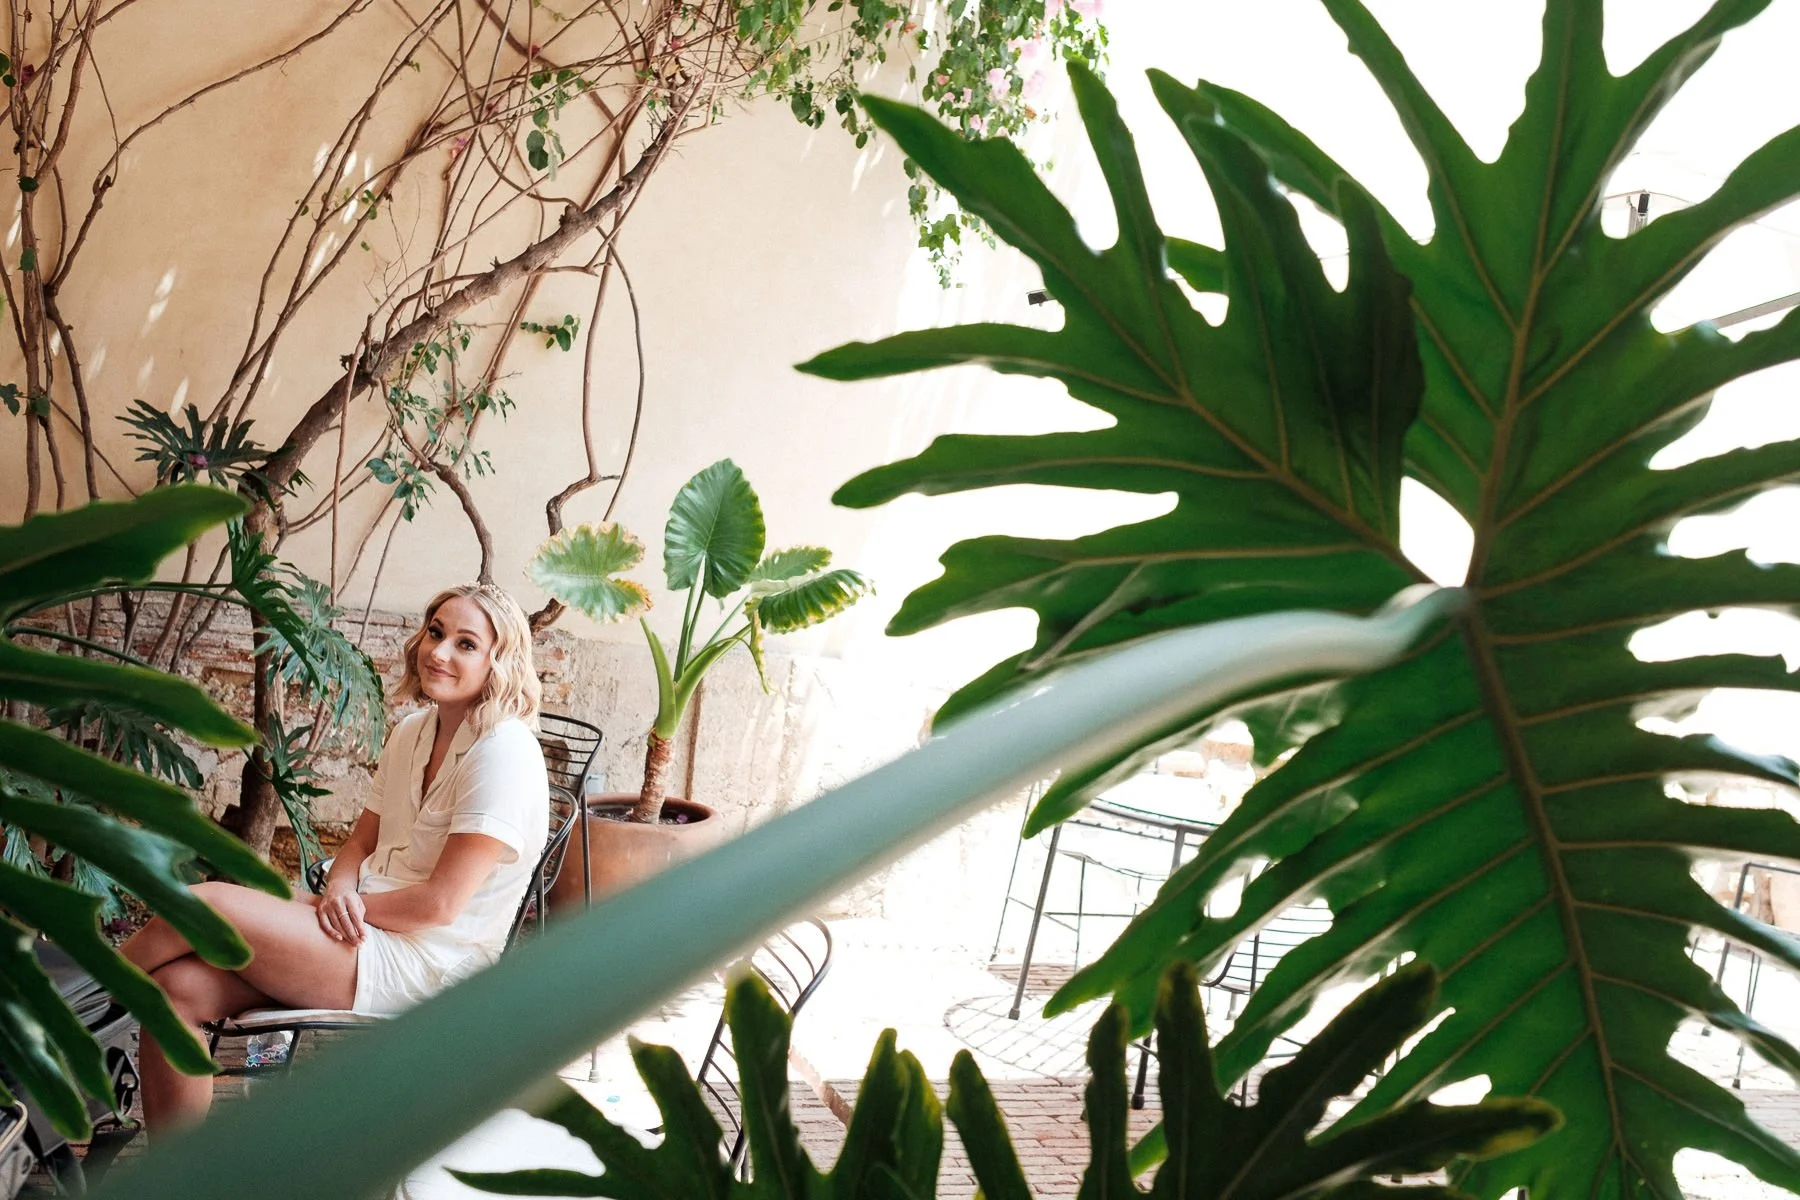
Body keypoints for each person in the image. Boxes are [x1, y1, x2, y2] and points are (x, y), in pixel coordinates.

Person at [122, 583, 550, 1132]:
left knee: (204, 905)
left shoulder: (505, 752)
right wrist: (341, 891)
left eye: (466, 644)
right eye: (437, 632)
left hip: (429, 963)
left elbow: (440, 906)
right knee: (174, 992)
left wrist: (344, 909)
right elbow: (358, 844)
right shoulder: (414, 731)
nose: (438, 652)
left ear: (500, 661)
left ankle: (64, 1020)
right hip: (363, 925)